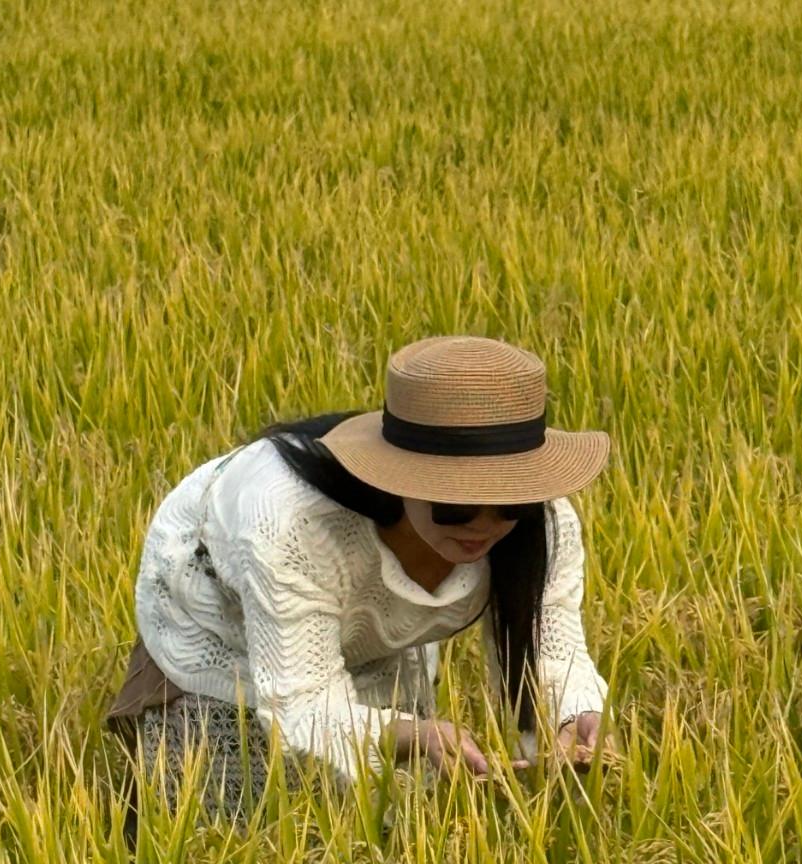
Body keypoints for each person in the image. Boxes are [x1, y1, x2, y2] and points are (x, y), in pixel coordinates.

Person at [105, 334, 617, 832]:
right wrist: (413, 734)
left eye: (510, 503)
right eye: (456, 506)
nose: (484, 526)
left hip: (355, 610)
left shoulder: (542, 523)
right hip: (226, 611)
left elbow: (551, 644)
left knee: (389, 821)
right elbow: (302, 706)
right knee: (225, 809)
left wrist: (576, 716)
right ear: (398, 480)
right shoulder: (293, 524)